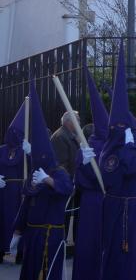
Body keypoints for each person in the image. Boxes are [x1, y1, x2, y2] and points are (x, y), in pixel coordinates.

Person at [99, 43, 136, 279]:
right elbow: (125, 169)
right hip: (116, 206)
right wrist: (130, 150)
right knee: (114, 251)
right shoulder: (110, 149)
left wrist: (132, 149)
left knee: (133, 252)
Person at [12, 80, 73, 280]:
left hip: (49, 234)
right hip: (32, 233)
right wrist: (17, 231)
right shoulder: (34, 172)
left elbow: (67, 189)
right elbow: (26, 203)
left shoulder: (58, 172)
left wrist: (48, 180)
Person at [72, 68, 107, 280]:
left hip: (105, 199)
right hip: (93, 200)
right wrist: (85, 164)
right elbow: (80, 178)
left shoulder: (112, 146)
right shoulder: (87, 148)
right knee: (90, 241)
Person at [0, 100, 29, 265]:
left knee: (18, 220)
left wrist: (30, 153)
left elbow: (35, 167)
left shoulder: (24, 150)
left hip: (19, 191)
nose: (14, 135)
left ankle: (19, 252)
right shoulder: (1, 150)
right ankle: (1, 249)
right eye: (12, 132)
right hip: (3, 191)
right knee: (3, 220)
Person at [50, 110, 81, 239]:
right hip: (65, 184)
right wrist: (68, 183)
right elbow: (61, 165)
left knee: (69, 214)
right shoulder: (60, 137)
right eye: (77, 119)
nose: (79, 122)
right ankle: (60, 243)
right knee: (63, 215)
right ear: (69, 122)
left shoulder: (70, 136)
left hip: (72, 182)